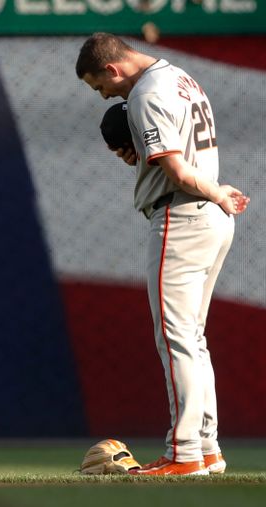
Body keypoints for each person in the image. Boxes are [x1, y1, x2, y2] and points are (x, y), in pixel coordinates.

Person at [75, 33, 250, 476]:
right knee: (193, 339)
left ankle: (184, 452)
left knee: (176, 341)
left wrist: (218, 191)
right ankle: (207, 448)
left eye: (100, 85)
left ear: (113, 69)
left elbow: (174, 167)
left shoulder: (146, 94)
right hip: (207, 218)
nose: (106, 94)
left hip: (183, 216)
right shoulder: (179, 77)